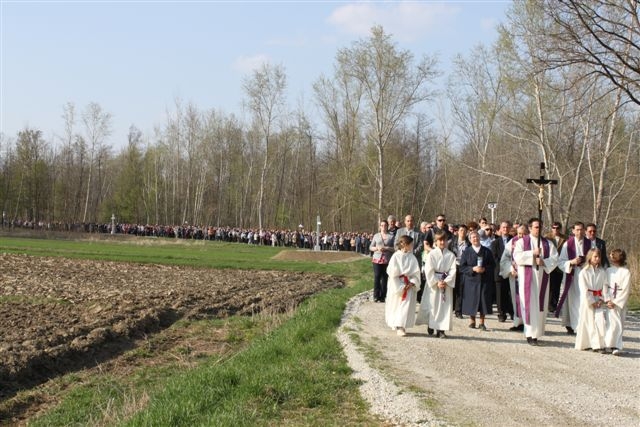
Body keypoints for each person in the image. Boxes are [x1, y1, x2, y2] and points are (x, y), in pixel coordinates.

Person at [513, 218, 559, 346]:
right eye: (536, 227)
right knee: (529, 305)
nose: (538, 229)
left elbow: (555, 259)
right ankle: (529, 334)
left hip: (542, 278)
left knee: (539, 306)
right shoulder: (522, 242)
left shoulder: (547, 243)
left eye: (540, 227)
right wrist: (532, 253)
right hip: (527, 279)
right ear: (529, 228)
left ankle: (537, 333)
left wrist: (544, 262)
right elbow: (517, 257)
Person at [417, 231, 457, 338]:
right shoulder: (432, 254)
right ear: (436, 241)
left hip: (445, 284)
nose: (442, 242)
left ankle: (441, 330)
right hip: (434, 284)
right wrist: (436, 281)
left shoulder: (451, 255)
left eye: (444, 240)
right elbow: (428, 270)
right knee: (433, 305)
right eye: (440, 240)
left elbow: (453, 270)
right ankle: (431, 324)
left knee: (444, 307)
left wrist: (446, 281)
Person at [556, 221, 589, 335]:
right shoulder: (567, 244)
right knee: (572, 300)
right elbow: (560, 262)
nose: (579, 232)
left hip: (586, 275)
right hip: (572, 275)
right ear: (573, 231)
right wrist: (572, 262)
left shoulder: (590, 244)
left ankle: (583, 325)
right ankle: (570, 324)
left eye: (581, 229)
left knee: (584, 300)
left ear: (584, 230)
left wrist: (585, 262)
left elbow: (595, 259)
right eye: (577, 230)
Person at [385, 235, 422, 336]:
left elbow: (416, 273)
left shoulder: (412, 257)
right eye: (411, 244)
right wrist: (401, 286)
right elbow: (392, 273)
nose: (412, 246)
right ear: (405, 244)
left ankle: (402, 325)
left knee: (406, 306)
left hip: (409, 285)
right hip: (398, 284)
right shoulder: (396, 256)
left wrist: (412, 282)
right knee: (398, 305)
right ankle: (398, 326)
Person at [459, 230, 495, 330]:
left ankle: (482, 322)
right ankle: (472, 321)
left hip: (484, 280)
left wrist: (485, 269)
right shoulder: (466, 252)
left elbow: (493, 265)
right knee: (472, 300)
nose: (475, 239)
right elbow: (462, 267)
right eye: (473, 237)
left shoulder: (487, 251)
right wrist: (472, 269)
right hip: (471, 280)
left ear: (480, 238)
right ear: (470, 240)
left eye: (477, 237)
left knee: (483, 301)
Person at [574, 248, 608, 352]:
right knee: (588, 322)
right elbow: (584, 289)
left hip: (598, 300)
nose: (597, 259)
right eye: (595, 256)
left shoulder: (602, 272)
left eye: (599, 257)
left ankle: (598, 344)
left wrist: (601, 299)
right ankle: (587, 344)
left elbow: (605, 286)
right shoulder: (584, 272)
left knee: (599, 322)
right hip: (588, 301)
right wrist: (591, 301)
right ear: (590, 257)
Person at [500, 224, 528, 331]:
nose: (521, 236)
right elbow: (504, 259)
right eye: (519, 233)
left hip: (528, 275)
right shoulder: (512, 242)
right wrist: (511, 268)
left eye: (523, 234)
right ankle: (518, 323)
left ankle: (528, 323)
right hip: (515, 275)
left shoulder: (532, 242)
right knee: (516, 299)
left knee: (528, 299)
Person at [604, 249, 631, 355]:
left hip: (619, 302)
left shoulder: (626, 272)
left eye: (612, 255)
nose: (610, 257)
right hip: (610, 299)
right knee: (610, 323)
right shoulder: (608, 271)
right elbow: (605, 285)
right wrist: (607, 299)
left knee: (619, 323)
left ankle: (617, 345)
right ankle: (608, 344)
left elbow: (626, 290)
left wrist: (616, 302)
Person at [491, 221, 513, 322]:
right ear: (500, 229)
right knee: (500, 294)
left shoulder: (514, 241)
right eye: (503, 227)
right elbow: (494, 257)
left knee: (511, 293)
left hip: (512, 271)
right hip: (499, 271)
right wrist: (504, 265)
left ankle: (513, 312)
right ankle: (501, 313)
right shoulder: (495, 243)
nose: (505, 229)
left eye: (507, 227)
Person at [370, 220, 395, 303]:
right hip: (377, 259)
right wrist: (377, 248)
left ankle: (383, 296)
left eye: (385, 225)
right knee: (377, 276)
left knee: (385, 278)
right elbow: (371, 247)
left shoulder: (391, 236)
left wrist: (387, 248)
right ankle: (376, 296)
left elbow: (395, 248)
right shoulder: (376, 236)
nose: (383, 227)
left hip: (387, 259)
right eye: (382, 225)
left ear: (387, 226)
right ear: (380, 226)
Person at [545, 221, 566, 312]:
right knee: (549, 286)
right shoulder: (547, 237)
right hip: (550, 264)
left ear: (560, 229)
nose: (555, 229)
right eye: (553, 227)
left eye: (557, 228)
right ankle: (547, 304)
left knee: (557, 286)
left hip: (559, 266)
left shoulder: (565, 238)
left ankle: (553, 305)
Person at [450, 224, 470, 319]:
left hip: (463, 267)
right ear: (458, 231)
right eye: (461, 230)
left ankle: (458, 311)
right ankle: (451, 307)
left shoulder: (469, 244)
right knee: (452, 288)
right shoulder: (452, 242)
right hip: (453, 266)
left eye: (465, 231)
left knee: (461, 289)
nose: (463, 232)